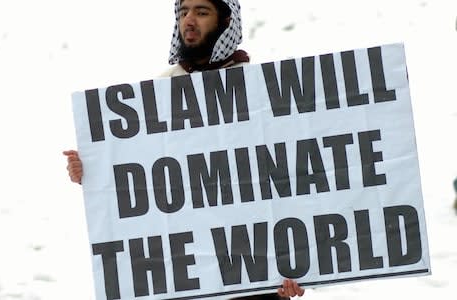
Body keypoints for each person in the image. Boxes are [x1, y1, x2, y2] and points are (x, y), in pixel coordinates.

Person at [64, 0, 305, 299]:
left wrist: (293, 271)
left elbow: (295, 176)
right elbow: (135, 176)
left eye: (202, 12)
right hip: (186, 276)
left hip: (253, 277)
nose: (189, 20)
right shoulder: (158, 92)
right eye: (183, 12)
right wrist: (90, 169)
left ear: (227, 22)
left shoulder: (261, 91)